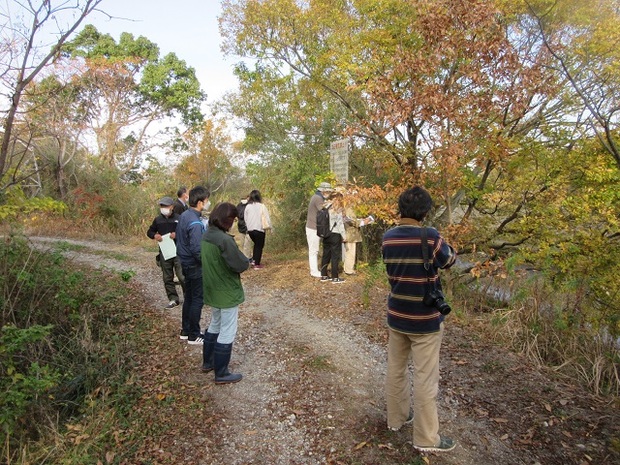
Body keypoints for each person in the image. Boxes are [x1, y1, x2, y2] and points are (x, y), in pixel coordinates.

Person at [382, 186, 457, 453]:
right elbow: (449, 261)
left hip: (397, 313)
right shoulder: (431, 236)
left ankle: (396, 418)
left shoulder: (388, 237)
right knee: (425, 378)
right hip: (424, 319)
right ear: (425, 211)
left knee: (396, 368)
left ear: (400, 208)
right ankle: (426, 438)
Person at [200, 202, 251, 384]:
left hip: (212, 288)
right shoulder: (224, 240)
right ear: (226, 219)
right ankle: (221, 373)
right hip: (226, 291)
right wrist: (247, 261)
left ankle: (208, 362)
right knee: (227, 330)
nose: (233, 223)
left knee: (215, 324)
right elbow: (239, 264)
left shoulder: (207, 235)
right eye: (233, 219)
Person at [176, 186, 211, 344]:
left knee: (189, 297)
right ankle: (194, 335)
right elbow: (197, 249)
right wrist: (206, 264)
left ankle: (185, 330)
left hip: (185, 263)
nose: (208, 203)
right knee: (197, 299)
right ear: (200, 202)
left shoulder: (185, 215)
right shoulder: (195, 222)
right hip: (194, 265)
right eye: (206, 200)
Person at [146, 196, 185, 309]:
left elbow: (186, 231)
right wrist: (154, 235)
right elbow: (150, 231)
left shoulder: (179, 218)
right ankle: (173, 299)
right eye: (162, 206)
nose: (164, 208)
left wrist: (177, 235)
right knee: (167, 277)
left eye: (166, 206)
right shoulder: (158, 220)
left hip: (178, 251)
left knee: (182, 276)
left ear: (172, 207)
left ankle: (188, 296)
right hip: (165, 251)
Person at [306, 182, 334, 278]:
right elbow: (323, 209)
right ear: (323, 191)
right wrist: (332, 204)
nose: (329, 193)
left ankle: (315, 270)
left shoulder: (317, 197)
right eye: (328, 191)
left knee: (314, 250)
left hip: (314, 227)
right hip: (313, 228)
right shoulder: (318, 198)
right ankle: (314, 271)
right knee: (314, 251)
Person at [319, 192, 347, 283]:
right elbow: (340, 224)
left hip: (326, 234)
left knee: (326, 255)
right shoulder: (337, 209)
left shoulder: (326, 207)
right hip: (335, 234)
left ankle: (323, 275)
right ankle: (335, 277)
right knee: (335, 256)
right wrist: (344, 236)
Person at [243, 189, 271, 269]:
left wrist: (248, 226)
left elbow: (245, 218)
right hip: (259, 229)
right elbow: (267, 217)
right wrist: (270, 227)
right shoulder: (262, 206)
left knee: (256, 245)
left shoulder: (248, 206)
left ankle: (254, 261)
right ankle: (257, 264)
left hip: (250, 230)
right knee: (259, 245)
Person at [343, 206, 374, 275]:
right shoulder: (349, 209)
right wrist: (366, 221)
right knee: (351, 252)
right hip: (350, 234)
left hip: (349, 233)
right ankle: (349, 270)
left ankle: (347, 268)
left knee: (349, 252)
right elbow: (353, 221)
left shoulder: (346, 208)